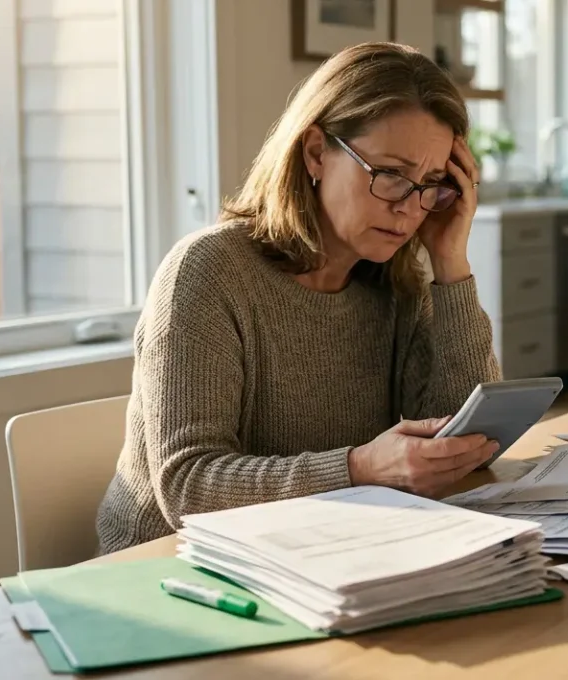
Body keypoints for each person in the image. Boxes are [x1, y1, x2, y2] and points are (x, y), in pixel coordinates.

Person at [96, 42, 503, 553]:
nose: (409, 208)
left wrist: (451, 266)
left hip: (319, 552)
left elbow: (460, 442)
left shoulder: (394, 284)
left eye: (431, 184)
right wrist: (357, 468)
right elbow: (188, 487)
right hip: (169, 570)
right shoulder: (207, 273)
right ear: (316, 153)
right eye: (392, 175)